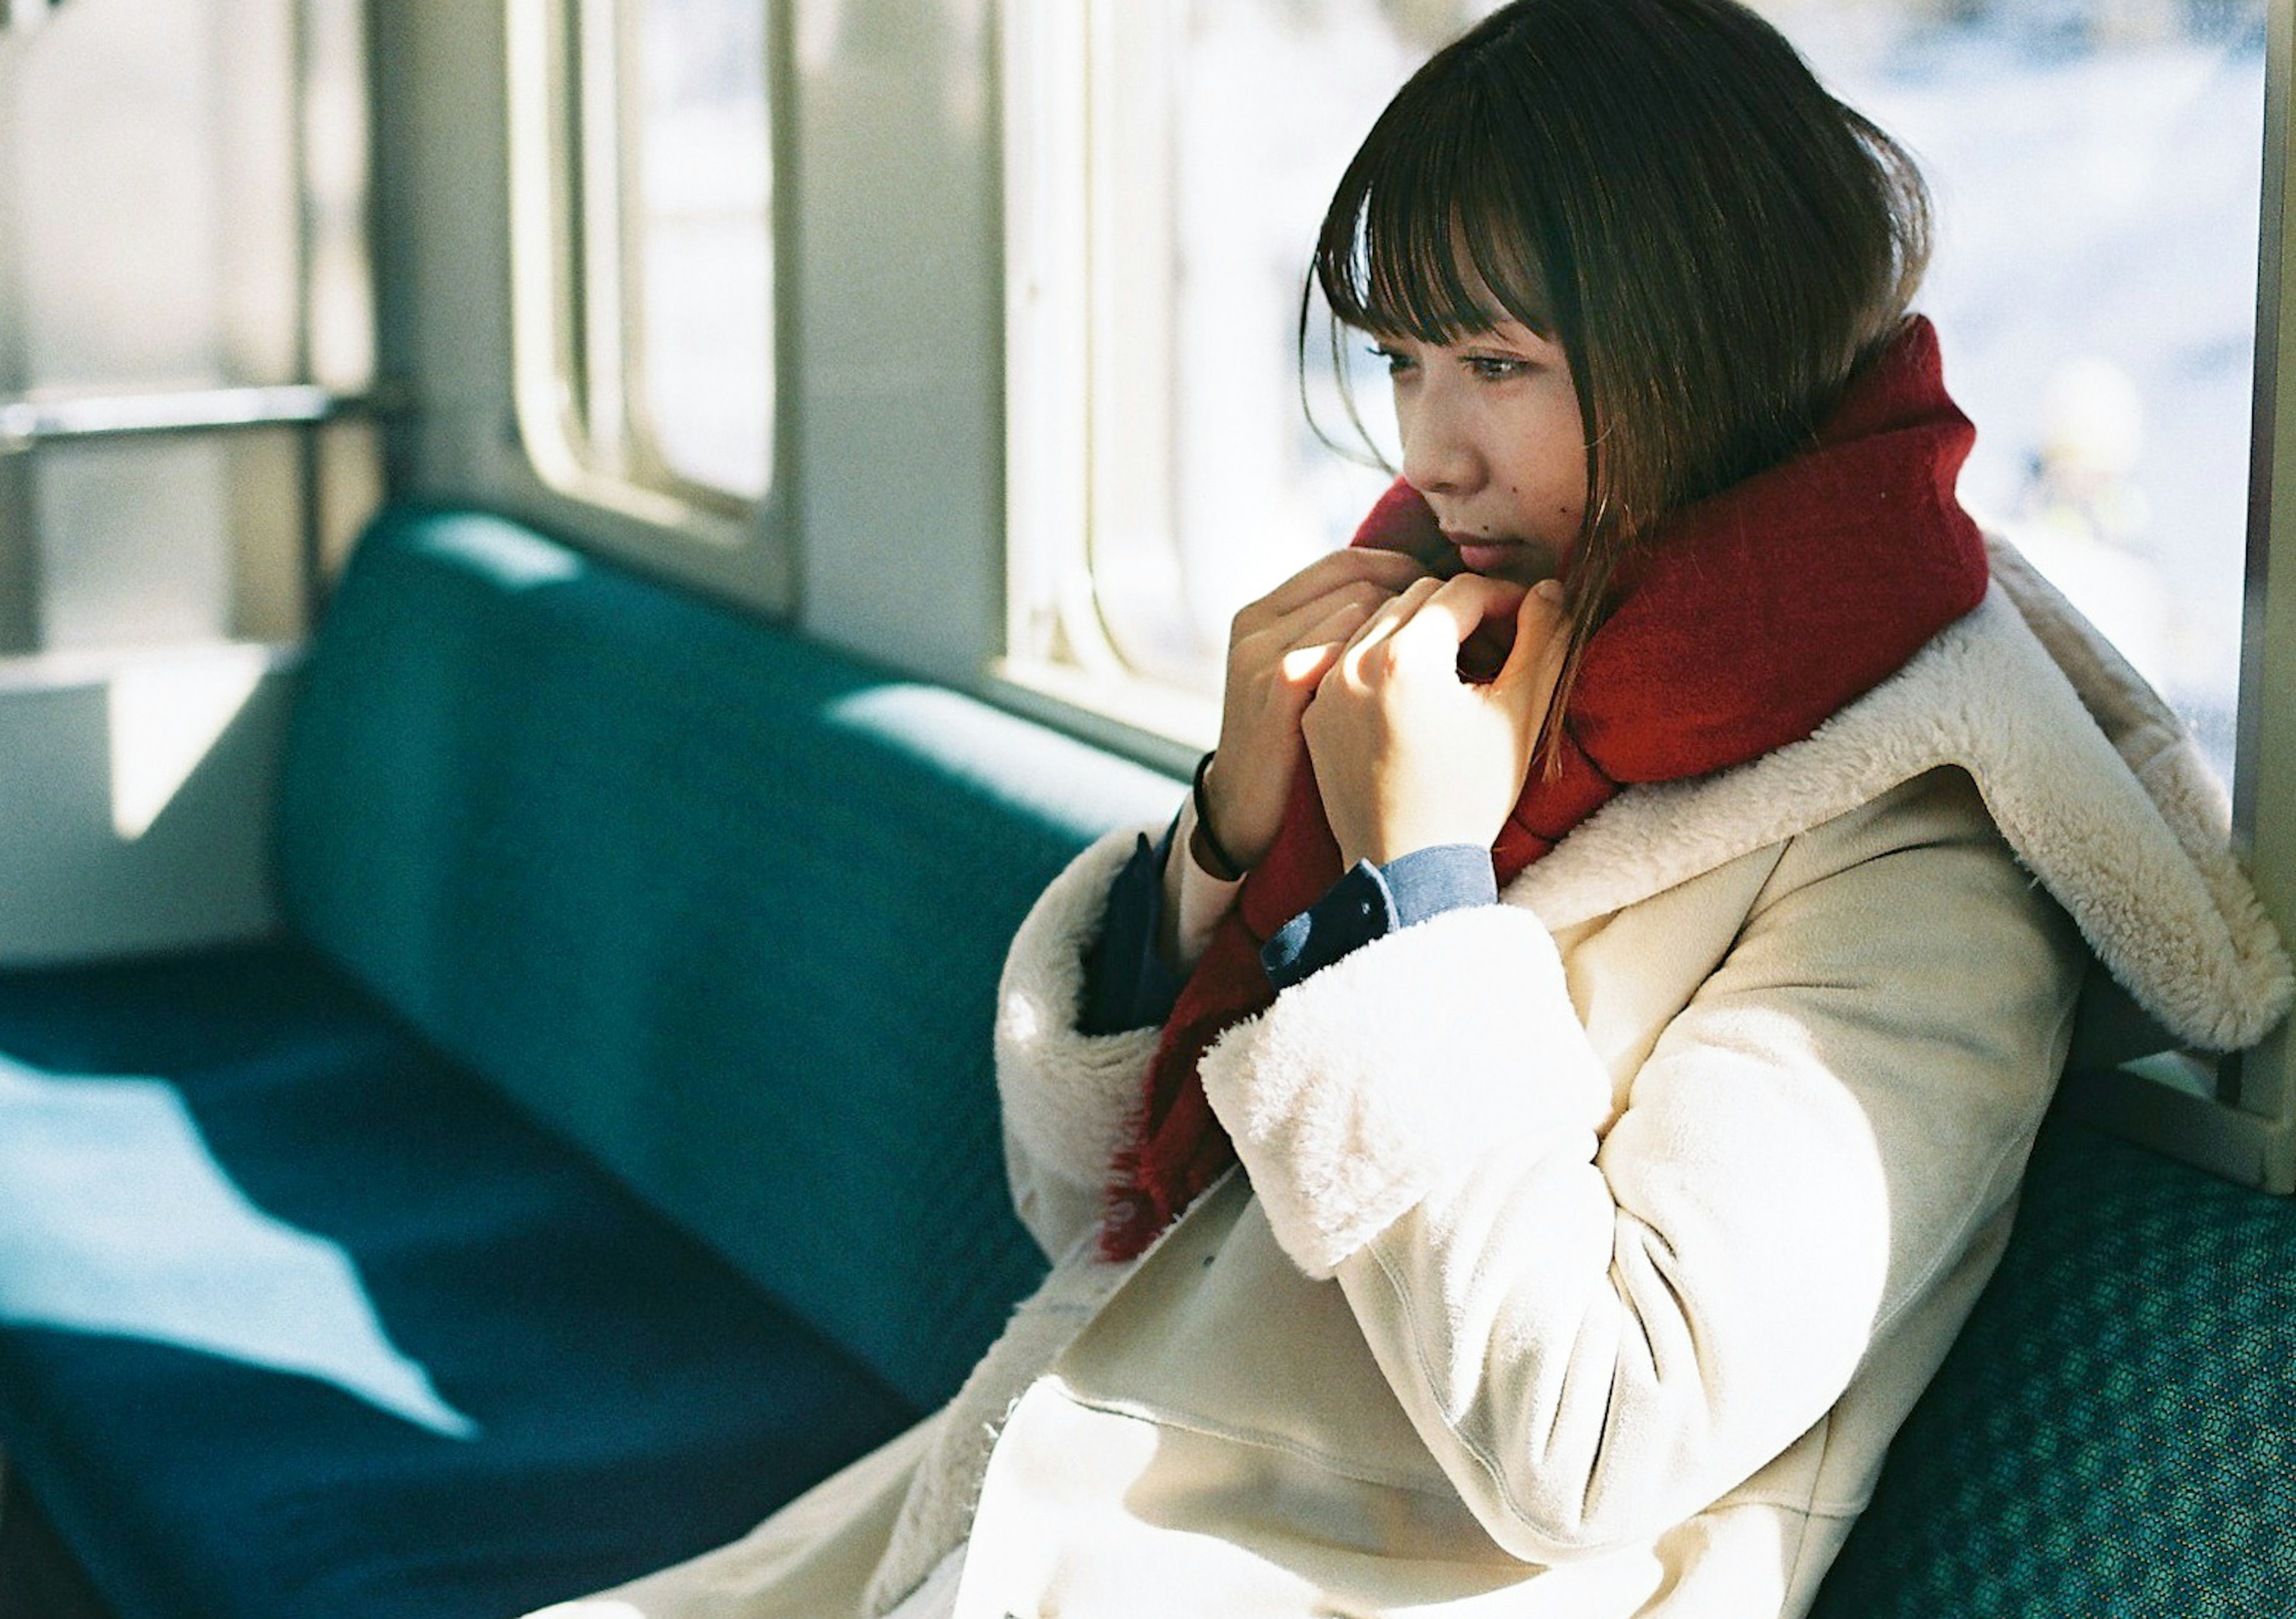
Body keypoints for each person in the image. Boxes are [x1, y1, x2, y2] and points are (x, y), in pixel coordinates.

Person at [535, 1, 2291, 1614]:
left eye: (1499, 367)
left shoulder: (1921, 837)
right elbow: (1081, 1218)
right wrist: (1230, 834)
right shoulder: (1465, 656)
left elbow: (1593, 1434)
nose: (1431, 451)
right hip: (1045, 1505)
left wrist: (1424, 896)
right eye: (1401, 363)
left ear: (1719, 347)